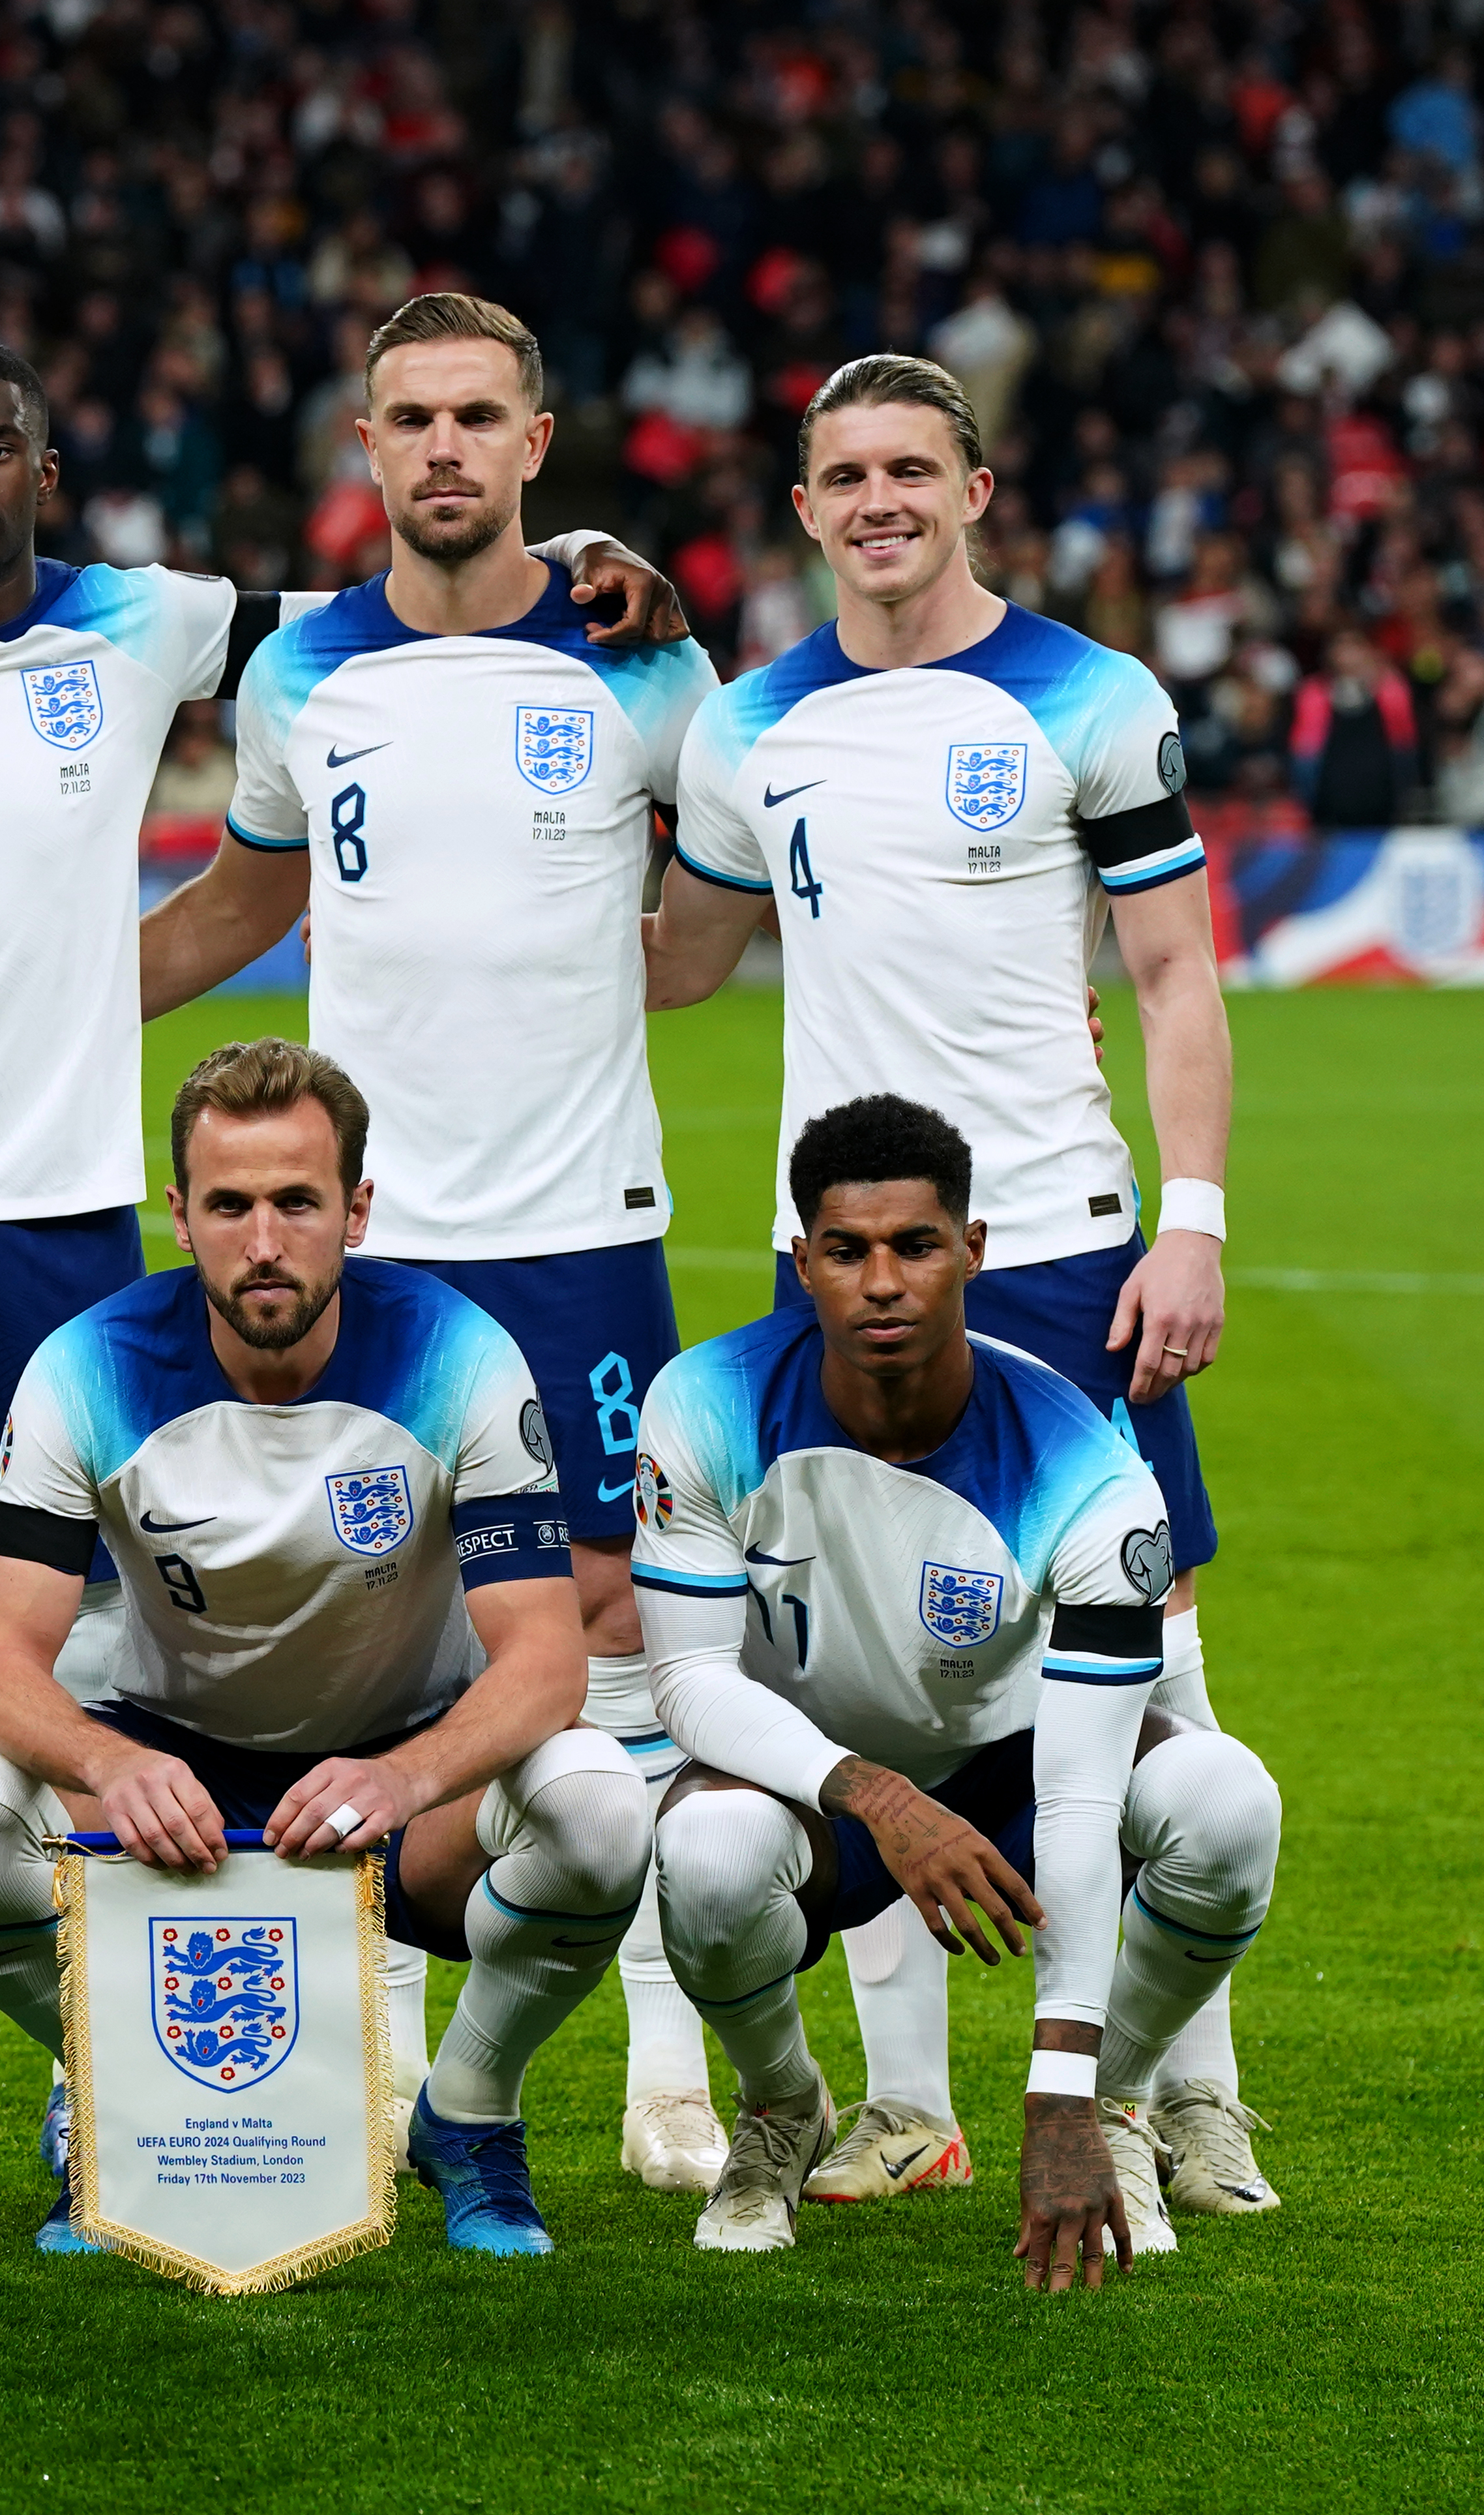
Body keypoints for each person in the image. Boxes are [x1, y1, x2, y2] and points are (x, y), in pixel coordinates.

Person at [0, 327, 682, 2180]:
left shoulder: (152, 620)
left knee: (126, 1603)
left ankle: (114, 2046)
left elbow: (409, 598)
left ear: (49, 474)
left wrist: (603, 556)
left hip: (63, 1197)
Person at [650, 352, 1266, 2215]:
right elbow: (680, 964)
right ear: (806, 505)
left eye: (913, 466)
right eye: (844, 474)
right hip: (835, 1241)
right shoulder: (750, 724)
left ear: (977, 488)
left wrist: (1197, 1217)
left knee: (1154, 1658)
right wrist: (626, 689)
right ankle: (907, 2104)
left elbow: (1173, 977)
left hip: (1071, 1237)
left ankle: (1176, 2090)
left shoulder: (1091, 695)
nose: (879, 500)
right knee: (863, 1659)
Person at [141, 292, 730, 2196]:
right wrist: (36, 999)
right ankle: (378, 2034)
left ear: (538, 442)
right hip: (368, 1243)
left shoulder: (648, 665)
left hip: (579, 1225)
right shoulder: (305, 675)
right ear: (368, 452)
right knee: (369, 1627)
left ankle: (658, 2068)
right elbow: (246, 891)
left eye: (483, 412)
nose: (448, 447)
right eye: (414, 418)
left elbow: (734, 890)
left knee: (621, 1624)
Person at [0, 1040, 649, 2257]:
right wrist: (111, 1767)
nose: (264, 1242)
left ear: (356, 1210)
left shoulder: (461, 1355)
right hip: (172, 1783)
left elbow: (546, 1662)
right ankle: (118, 2099)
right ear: (180, 1217)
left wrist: (406, 1778)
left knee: (604, 1806)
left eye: (298, 1202)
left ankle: (467, 2111)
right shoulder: (84, 1366)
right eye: (231, 1206)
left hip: (402, 1783)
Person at [635, 1095, 1279, 2278]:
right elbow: (684, 1682)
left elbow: (1083, 1797)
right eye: (847, 1252)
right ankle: (783, 2108)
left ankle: (1122, 2109)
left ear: (972, 1252)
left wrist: (1061, 2092)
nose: (883, 1282)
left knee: (1227, 1805)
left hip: (1016, 1766)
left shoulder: (1083, 1461)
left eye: (916, 1246)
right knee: (710, 1858)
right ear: (802, 1262)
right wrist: (874, 1794)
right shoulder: (704, 1402)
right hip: (816, 1776)